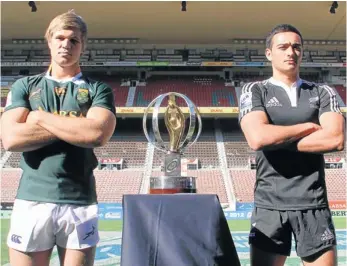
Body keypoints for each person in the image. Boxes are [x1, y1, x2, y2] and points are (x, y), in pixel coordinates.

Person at [1, 10, 116, 266]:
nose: (66, 45)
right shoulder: (25, 86)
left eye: (74, 40)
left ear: (83, 45)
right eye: (60, 38)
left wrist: (39, 118)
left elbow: (96, 134)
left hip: (79, 200)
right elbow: (10, 138)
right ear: (49, 41)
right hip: (32, 199)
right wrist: (76, 127)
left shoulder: (98, 90)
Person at [238, 24, 345, 266]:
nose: (290, 52)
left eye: (296, 47)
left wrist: (276, 139)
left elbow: (335, 139)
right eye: (283, 47)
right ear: (269, 53)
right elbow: (257, 138)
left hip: (314, 205)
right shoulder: (255, 91)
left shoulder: (324, 92)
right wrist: (307, 127)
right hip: (269, 206)